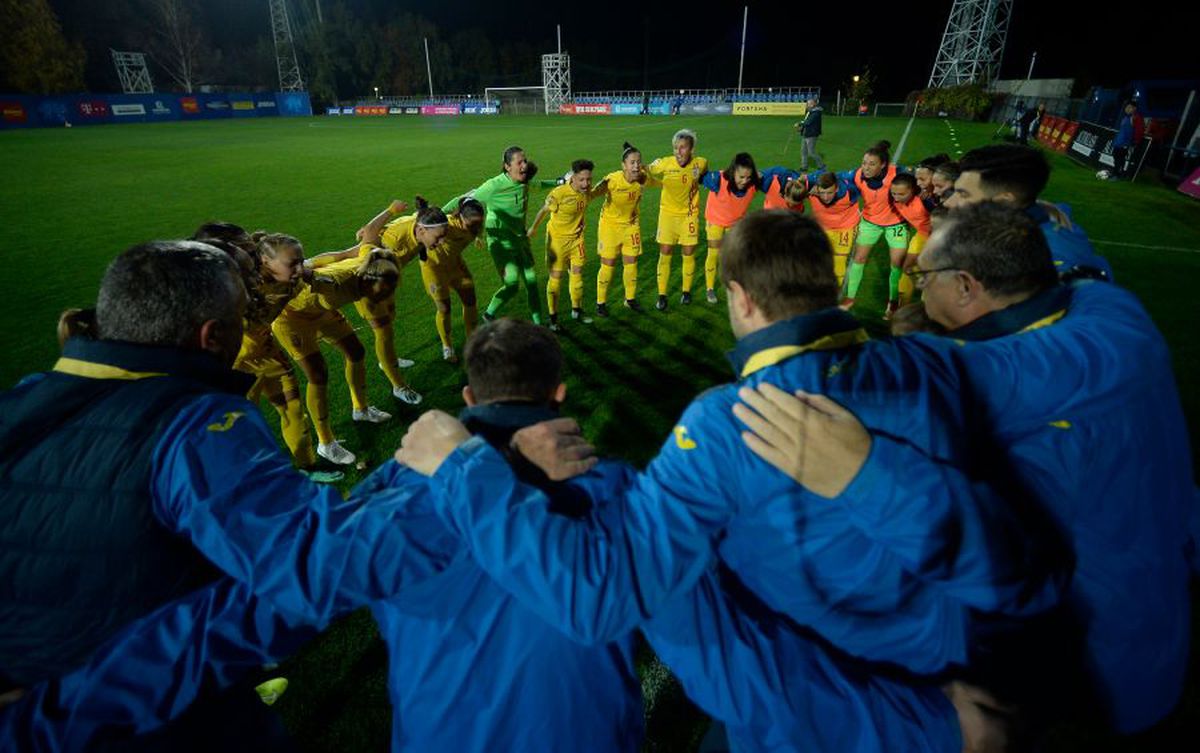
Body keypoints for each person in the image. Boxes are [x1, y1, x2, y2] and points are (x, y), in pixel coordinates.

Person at [396, 211, 1064, 682]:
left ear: (740, 299)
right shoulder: (939, 364)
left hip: (823, 692)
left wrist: (463, 467)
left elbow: (598, 596)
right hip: (953, 668)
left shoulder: (726, 422)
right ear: (832, 285)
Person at [0, 241, 485, 749]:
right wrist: (451, 469)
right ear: (213, 336)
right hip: (157, 725)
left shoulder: (21, 400)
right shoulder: (193, 422)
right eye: (241, 316)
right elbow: (314, 568)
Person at [738, 202, 1195, 737]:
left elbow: (989, 557)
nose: (918, 286)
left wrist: (863, 473)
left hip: (1074, 685)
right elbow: (1081, 279)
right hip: (1158, 630)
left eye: (924, 275)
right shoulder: (1112, 311)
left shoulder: (1029, 421)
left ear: (964, 286)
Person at [357, 319, 643, 752]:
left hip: (440, 737)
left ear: (469, 397)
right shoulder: (613, 487)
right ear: (558, 393)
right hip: (581, 734)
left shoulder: (392, 487)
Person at [272, 248, 402, 465]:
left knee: (356, 352)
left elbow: (348, 252)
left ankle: (360, 409)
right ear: (366, 281)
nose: (383, 296)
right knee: (318, 375)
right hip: (292, 319)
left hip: (322, 312)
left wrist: (349, 251)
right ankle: (325, 443)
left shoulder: (369, 265)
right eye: (381, 291)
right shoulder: (334, 282)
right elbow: (306, 270)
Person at [313, 197, 445, 401]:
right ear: (421, 231)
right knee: (383, 330)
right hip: (368, 285)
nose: (442, 241)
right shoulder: (397, 237)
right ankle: (398, 386)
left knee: (390, 319)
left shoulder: (423, 226)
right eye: (439, 237)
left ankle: (388, 359)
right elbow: (368, 236)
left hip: (385, 281)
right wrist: (390, 210)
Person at [946, 144, 1113, 280]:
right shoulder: (1026, 221)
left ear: (1003, 202)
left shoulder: (1043, 264)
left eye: (963, 194)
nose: (948, 203)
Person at [449, 146, 543, 324]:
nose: (524, 165)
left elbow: (539, 184)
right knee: (512, 285)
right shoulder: (494, 186)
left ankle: (539, 325)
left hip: (521, 240)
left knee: (532, 282)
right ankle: (489, 314)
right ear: (507, 166)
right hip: (501, 243)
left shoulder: (524, 182)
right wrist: (436, 216)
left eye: (525, 161)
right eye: (519, 162)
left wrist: (561, 181)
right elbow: (462, 199)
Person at [699, 153, 793, 303]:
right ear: (733, 172)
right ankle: (710, 288)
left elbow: (779, 170)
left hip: (735, 223)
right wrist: (697, 171)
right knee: (714, 253)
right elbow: (700, 175)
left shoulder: (755, 181)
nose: (745, 181)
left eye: (748, 177)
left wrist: (790, 179)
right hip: (715, 222)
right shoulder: (718, 179)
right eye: (741, 177)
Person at [527, 159, 607, 330]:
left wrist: (609, 182)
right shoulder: (559, 194)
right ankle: (553, 319)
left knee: (577, 278)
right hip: (557, 242)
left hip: (577, 240)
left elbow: (597, 191)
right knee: (556, 280)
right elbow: (543, 210)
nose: (586, 184)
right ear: (573, 178)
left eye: (589, 179)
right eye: (582, 180)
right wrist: (533, 228)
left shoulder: (586, 192)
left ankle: (577, 311)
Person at [836, 141, 910, 310]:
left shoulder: (897, 173)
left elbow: (918, 179)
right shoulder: (857, 175)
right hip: (870, 223)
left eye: (871, 164)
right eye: (864, 163)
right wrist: (809, 180)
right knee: (859, 258)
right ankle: (850, 297)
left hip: (896, 224)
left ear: (883, 165)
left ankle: (893, 301)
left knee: (896, 263)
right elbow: (836, 177)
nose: (866, 168)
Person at [648, 129, 708, 310]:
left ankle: (686, 292)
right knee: (665, 253)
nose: (678, 152)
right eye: (675, 148)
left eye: (683, 148)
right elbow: (647, 168)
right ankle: (662, 295)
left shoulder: (700, 163)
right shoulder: (665, 163)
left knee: (688, 253)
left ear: (691, 149)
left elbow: (704, 170)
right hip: (667, 215)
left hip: (689, 215)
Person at [594, 143, 655, 317]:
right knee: (608, 265)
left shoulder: (642, 179)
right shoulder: (612, 180)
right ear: (624, 165)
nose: (636, 166)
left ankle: (630, 299)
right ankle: (600, 303)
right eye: (632, 162)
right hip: (610, 227)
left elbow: (659, 183)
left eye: (638, 162)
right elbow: (594, 192)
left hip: (631, 226)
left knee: (631, 263)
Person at [421, 197, 485, 362]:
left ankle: (472, 342)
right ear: (460, 217)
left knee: (470, 301)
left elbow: (470, 195)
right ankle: (447, 346)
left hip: (456, 266)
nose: (476, 227)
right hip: (434, 270)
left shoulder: (475, 227)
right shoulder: (447, 225)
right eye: (471, 224)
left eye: (479, 223)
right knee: (444, 308)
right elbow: (425, 225)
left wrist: (477, 236)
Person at [885, 173, 933, 316]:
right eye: (894, 193)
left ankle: (927, 309)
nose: (896, 197)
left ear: (912, 190)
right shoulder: (893, 199)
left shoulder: (925, 200)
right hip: (921, 235)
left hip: (938, 237)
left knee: (931, 272)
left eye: (901, 194)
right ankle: (902, 309)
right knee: (907, 268)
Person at [805, 172, 862, 287]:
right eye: (822, 193)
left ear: (836, 189)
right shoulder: (808, 186)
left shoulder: (849, 191)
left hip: (845, 228)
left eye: (829, 193)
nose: (825, 197)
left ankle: (834, 291)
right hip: (823, 227)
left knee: (839, 260)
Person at [1111, 100, 1144, 180]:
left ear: (1134, 108)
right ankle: (1117, 173)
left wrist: (1135, 141)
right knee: (1115, 156)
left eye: (1129, 107)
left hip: (1125, 143)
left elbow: (1139, 131)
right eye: (1126, 107)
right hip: (1118, 142)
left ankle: (1117, 175)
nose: (1127, 109)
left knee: (1120, 158)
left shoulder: (1136, 118)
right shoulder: (1125, 118)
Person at [797, 98, 826, 172]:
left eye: (809, 104)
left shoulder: (816, 113)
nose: (807, 105)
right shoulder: (810, 112)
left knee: (811, 152)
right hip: (806, 134)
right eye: (807, 104)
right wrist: (801, 129)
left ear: (813, 104)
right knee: (803, 151)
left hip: (811, 135)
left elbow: (808, 122)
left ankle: (821, 165)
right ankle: (804, 167)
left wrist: (799, 123)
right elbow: (806, 121)